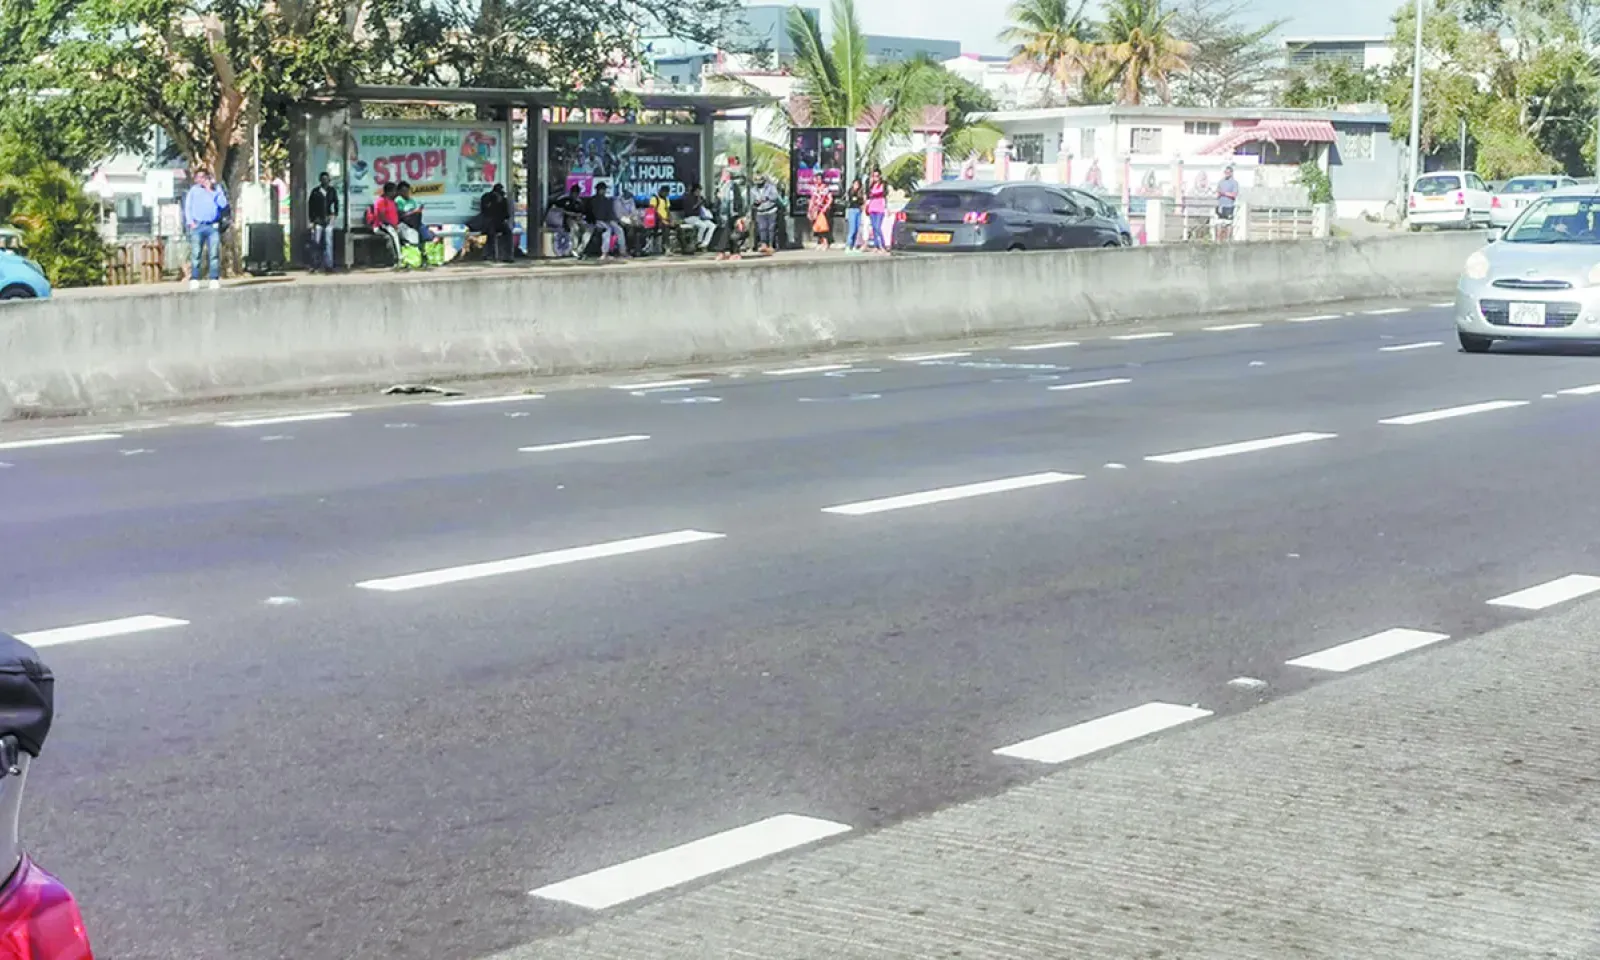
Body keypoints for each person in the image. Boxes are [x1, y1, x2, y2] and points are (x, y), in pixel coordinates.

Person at [184, 168, 229, 291]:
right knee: (196, 253)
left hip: (212, 226)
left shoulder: (216, 189)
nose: (200, 180)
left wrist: (212, 190)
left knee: (214, 253)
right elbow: (188, 207)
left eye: (203, 177)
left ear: (208, 178)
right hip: (198, 225)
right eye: (198, 177)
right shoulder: (194, 191)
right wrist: (190, 222)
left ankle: (214, 278)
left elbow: (223, 204)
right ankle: (194, 278)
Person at [585, 181, 626, 260]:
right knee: (608, 230)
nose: (603, 191)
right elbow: (589, 214)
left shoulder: (607, 200)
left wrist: (614, 221)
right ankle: (604, 253)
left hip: (607, 221)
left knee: (619, 230)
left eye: (604, 189)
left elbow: (610, 213)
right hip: (596, 221)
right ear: (597, 190)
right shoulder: (592, 200)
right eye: (601, 189)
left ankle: (623, 252)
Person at [307, 172, 339, 273]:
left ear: (329, 180)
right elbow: (311, 206)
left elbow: (336, 203)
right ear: (320, 180)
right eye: (323, 179)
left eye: (327, 179)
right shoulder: (315, 191)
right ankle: (314, 265)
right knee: (316, 242)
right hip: (318, 220)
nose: (325, 181)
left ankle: (329, 265)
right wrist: (312, 220)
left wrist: (334, 215)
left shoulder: (332, 191)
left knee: (328, 242)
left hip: (328, 219)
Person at [365, 182, 403, 266]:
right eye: (394, 191)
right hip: (381, 226)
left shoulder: (392, 201)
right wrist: (393, 225)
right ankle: (398, 259)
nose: (395, 193)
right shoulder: (381, 201)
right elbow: (382, 218)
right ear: (389, 192)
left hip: (393, 226)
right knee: (393, 236)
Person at [715, 169, 748, 261]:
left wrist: (740, 215)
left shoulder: (733, 186)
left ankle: (726, 252)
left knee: (732, 233)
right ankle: (732, 252)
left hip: (733, 214)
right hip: (726, 215)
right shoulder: (723, 186)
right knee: (730, 233)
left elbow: (737, 200)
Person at [476, 183, 515, 261]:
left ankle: (507, 255)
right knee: (491, 233)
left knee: (508, 232)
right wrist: (495, 203)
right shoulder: (487, 197)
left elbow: (506, 214)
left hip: (498, 222)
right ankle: (491, 255)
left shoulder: (503, 200)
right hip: (488, 222)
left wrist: (501, 203)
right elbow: (485, 211)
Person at [681, 184, 716, 251]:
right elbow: (689, 210)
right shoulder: (688, 198)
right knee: (703, 226)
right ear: (694, 191)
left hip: (699, 217)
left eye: (700, 191)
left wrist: (704, 201)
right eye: (697, 191)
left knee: (712, 226)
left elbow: (707, 206)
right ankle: (698, 242)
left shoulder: (699, 197)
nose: (699, 193)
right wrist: (698, 203)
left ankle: (705, 243)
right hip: (690, 217)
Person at [751, 174, 781, 254]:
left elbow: (775, 196)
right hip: (760, 211)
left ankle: (771, 245)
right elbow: (751, 200)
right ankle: (764, 244)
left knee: (771, 228)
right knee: (762, 228)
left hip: (771, 210)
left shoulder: (771, 187)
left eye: (760, 180)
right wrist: (755, 202)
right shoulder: (753, 190)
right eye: (757, 181)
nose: (759, 183)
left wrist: (767, 197)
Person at [866, 168, 889, 252]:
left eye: (877, 176)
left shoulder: (883, 185)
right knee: (874, 228)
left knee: (877, 227)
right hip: (872, 208)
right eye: (874, 176)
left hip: (880, 208)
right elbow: (868, 195)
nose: (875, 178)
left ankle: (883, 244)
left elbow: (881, 194)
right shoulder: (872, 186)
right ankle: (876, 246)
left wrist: (887, 208)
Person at [808, 178, 834, 251]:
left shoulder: (826, 190)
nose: (818, 181)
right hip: (815, 210)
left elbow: (830, 199)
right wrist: (809, 210)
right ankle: (821, 242)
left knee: (823, 227)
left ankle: (826, 243)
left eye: (819, 180)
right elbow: (812, 200)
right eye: (817, 180)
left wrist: (826, 207)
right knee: (817, 227)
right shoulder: (815, 189)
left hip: (823, 210)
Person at [844, 177, 865, 253]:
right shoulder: (850, 191)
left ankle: (854, 246)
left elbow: (861, 201)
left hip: (858, 211)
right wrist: (858, 199)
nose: (856, 185)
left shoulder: (860, 192)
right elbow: (853, 200)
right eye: (855, 184)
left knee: (857, 229)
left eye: (857, 184)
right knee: (852, 229)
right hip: (852, 210)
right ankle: (848, 245)